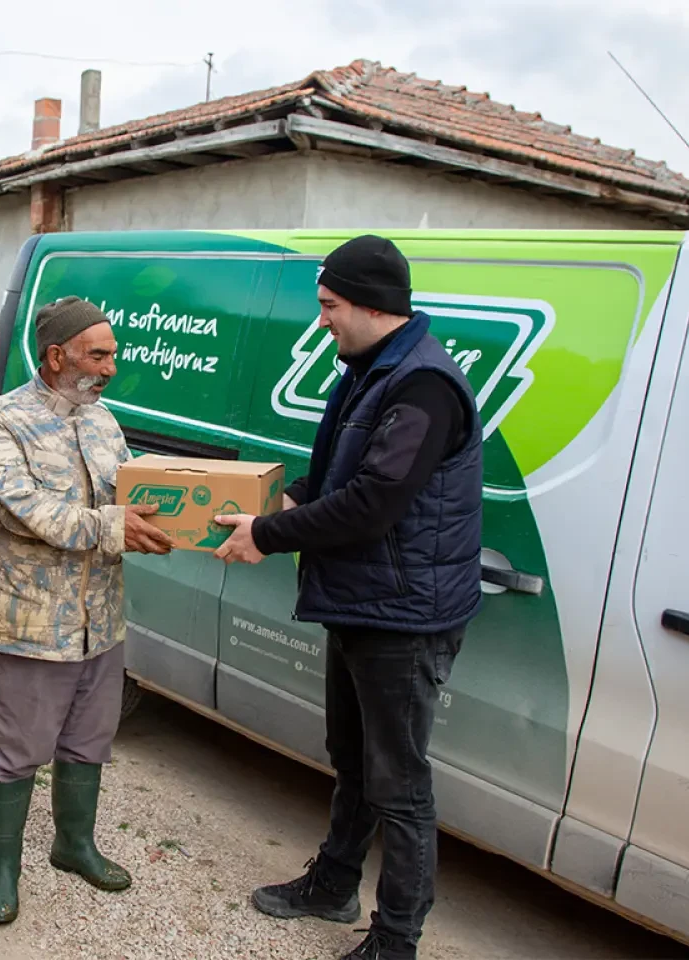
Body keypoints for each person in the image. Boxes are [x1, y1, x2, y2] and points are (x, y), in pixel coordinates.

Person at [213, 236, 484, 960]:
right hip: (365, 601)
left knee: (399, 783)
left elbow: (374, 504)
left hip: (404, 615)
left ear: (373, 304)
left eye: (330, 306)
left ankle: (395, 941)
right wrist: (271, 503)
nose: (323, 320)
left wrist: (268, 535)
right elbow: (334, 471)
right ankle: (334, 886)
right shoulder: (368, 370)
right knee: (355, 759)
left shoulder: (424, 386)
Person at [0, 295, 172, 925]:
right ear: (58, 356)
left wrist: (187, 513)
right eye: (98, 354)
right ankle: (5, 868)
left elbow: (135, 489)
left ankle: (73, 844)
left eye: (113, 354)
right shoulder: (0, 421)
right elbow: (21, 509)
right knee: (21, 746)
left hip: (101, 621)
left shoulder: (104, 421)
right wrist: (115, 527)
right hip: (35, 621)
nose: (111, 366)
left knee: (89, 740)